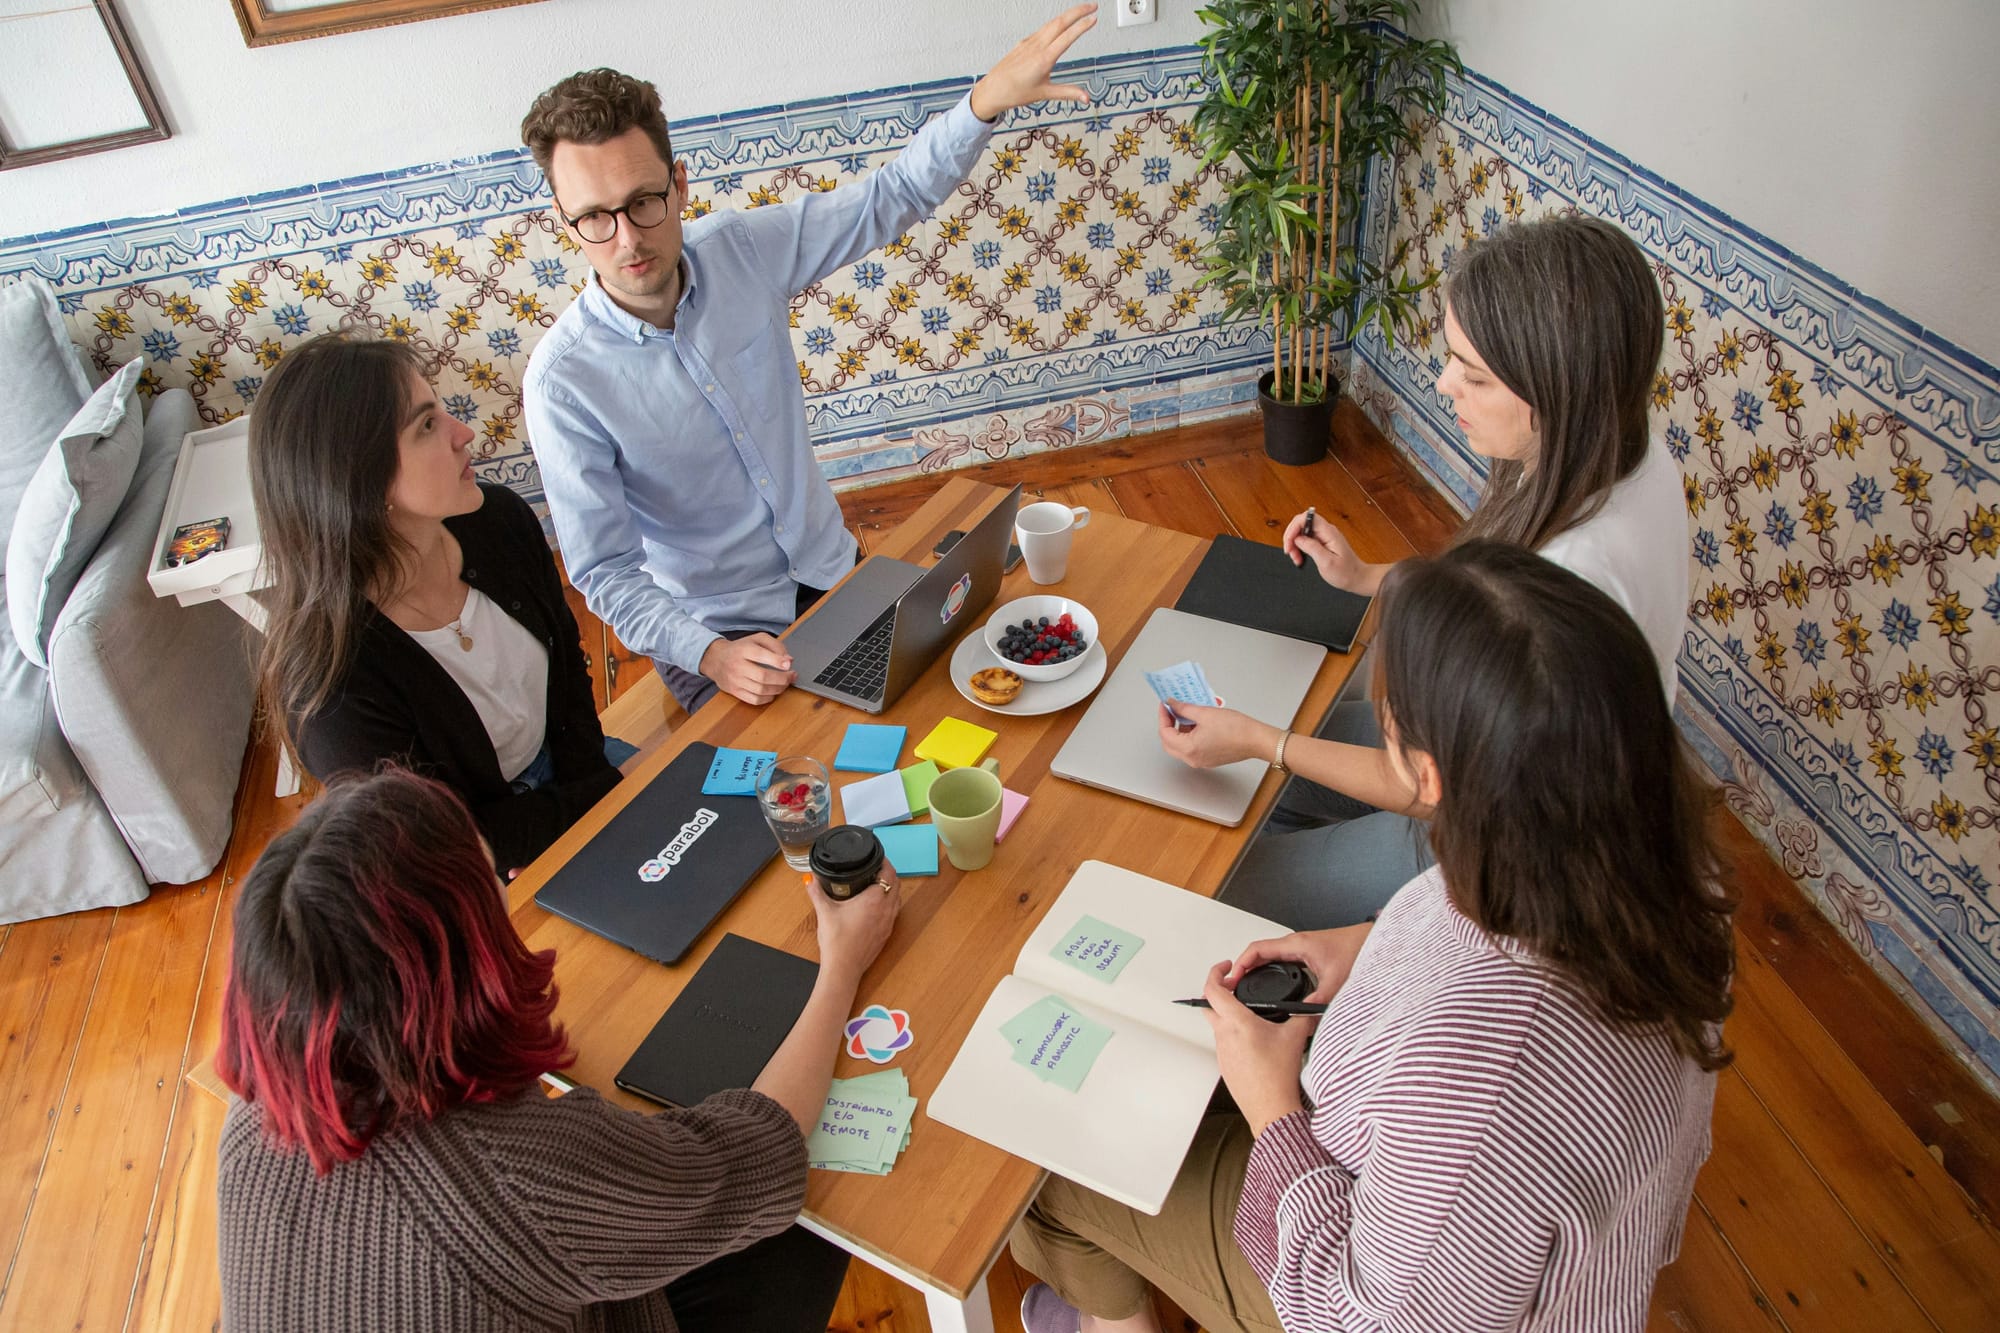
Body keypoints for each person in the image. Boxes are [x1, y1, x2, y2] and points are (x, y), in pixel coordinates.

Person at [1011, 541, 1736, 1333]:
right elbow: (1462, 919)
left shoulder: (1483, 1075)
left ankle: (1104, 1304)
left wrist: (1271, 1107)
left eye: (1388, 722)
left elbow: (1358, 1316)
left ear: (1426, 777)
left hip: (1349, 1253)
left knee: (1048, 1168)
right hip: (1479, 1214)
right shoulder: (1650, 859)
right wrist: (1367, 941)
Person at [520, 7, 1098, 715]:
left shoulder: (742, 251)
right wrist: (711, 654)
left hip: (833, 572)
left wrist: (984, 103)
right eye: (593, 218)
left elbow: (890, 200)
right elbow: (606, 572)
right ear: (564, 219)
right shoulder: (561, 382)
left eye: (642, 202)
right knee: (798, 793)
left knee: (952, 715)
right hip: (718, 634)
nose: (625, 239)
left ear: (678, 186)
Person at [215, 766, 903, 1332]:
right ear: (464, 960)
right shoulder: (518, 1174)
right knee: (819, 1225)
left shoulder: (249, 1123)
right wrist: (841, 964)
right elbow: (760, 1153)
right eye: (494, 888)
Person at [1161, 212, 1690, 929]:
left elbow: (1423, 786)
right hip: (1486, 775)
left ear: (1556, 391)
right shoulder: (1629, 454)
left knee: (1209, 888)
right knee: (1264, 784)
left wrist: (1264, 741)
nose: (1444, 385)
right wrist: (1367, 575)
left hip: (1499, 856)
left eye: (1472, 374)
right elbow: (1496, 598)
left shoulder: (1578, 576)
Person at [251, 332, 630, 874]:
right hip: (468, 867)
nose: (464, 433)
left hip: (575, 781)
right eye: (426, 426)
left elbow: (568, 672)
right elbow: (441, 848)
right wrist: (591, 807)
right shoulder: (330, 691)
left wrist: (597, 784)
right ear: (360, 480)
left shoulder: (498, 520)